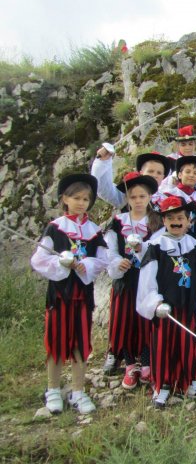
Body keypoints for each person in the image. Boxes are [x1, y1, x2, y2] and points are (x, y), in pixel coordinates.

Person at [31, 173, 109, 415]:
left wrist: (86, 264)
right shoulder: (55, 228)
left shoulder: (94, 231)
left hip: (82, 295)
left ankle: (78, 390)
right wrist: (62, 263)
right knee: (56, 341)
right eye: (76, 198)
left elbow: (103, 260)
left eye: (86, 199)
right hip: (60, 295)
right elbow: (39, 259)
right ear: (65, 199)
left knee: (80, 342)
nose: (81, 203)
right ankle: (53, 389)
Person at [136, 196, 196, 408]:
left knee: (188, 344)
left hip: (187, 305)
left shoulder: (193, 246)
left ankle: (191, 380)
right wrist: (155, 302)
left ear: (188, 221)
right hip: (166, 308)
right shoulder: (155, 246)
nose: (176, 222)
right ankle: (162, 385)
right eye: (170, 218)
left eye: (180, 218)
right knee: (163, 346)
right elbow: (147, 278)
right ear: (164, 221)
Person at [103, 172, 159, 388]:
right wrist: (118, 262)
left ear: (149, 197)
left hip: (146, 279)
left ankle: (146, 362)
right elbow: (110, 250)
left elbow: (160, 248)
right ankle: (129, 364)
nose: (138, 201)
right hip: (125, 281)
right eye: (133, 197)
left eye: (142, 196)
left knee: (145, 321)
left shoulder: (156, 221)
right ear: (127, 198)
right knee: (125, 322)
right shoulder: (118, 223)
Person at [91, 144, 170, 211]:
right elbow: (103, 187)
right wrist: (103, 161)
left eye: (159, 173)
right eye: (150, 171)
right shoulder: (127, 194)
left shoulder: (167, 198)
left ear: (163, 177)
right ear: (141, 173)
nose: (155, 175)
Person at [159, 155, 196, 236]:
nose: (191, 175)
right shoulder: (169, 194)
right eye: (187, 172)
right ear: (179, 175)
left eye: (195, 173)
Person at [164, 125, 196, 193]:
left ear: (195, 145)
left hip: (193, 193)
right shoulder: (170, 159)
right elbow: (164, 180)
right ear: (178, 146)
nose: (187, 148)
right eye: (183, 145)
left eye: (190, 144)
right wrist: (172, 179)